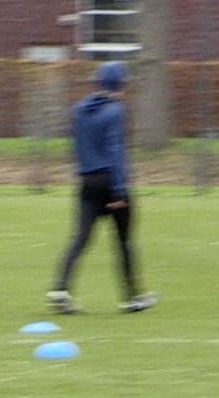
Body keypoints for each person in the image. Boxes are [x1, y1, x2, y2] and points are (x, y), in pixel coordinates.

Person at [47, 60, 157, 314]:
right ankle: (132, 297)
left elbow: (75, 146)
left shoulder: (79, 110)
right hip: (110, 180)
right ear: (120, 85)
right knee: (124, 241)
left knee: (81, 237)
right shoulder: (116, 111)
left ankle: (61, 289)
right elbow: (115, 150)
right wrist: (119, 190)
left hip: (87, 181)